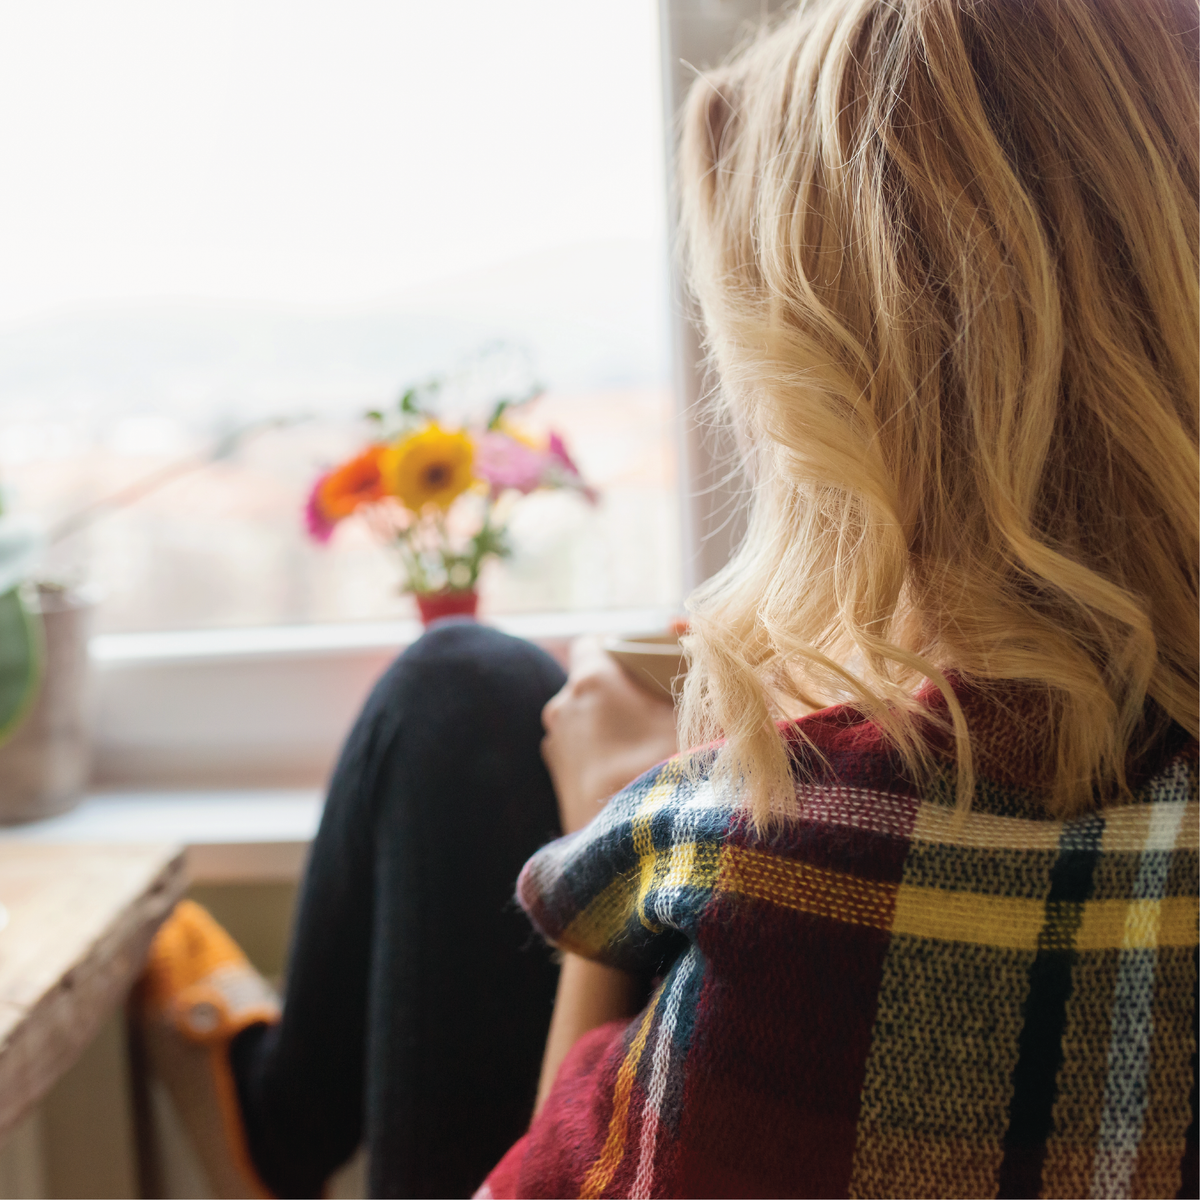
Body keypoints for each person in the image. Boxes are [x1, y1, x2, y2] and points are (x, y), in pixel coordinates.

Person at [141, 0, 1199, 1196]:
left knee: (456, 695)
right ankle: (275, 1115)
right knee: (473, 687)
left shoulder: (798, 864)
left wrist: (613, 834)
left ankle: (274, 1119)